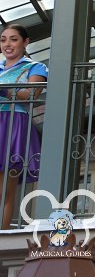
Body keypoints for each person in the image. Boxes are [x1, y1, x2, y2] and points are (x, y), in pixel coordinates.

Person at [0, 24, 46, 228]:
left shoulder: (35, 67)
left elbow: (31, 96)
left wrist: (4, 90)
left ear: (25, 42)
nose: (7, 44)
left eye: (13, 39)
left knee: (4, 191)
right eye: (3, 40)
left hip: (12, 125)